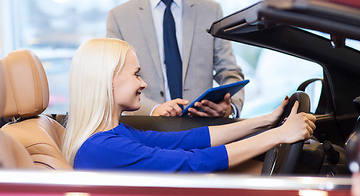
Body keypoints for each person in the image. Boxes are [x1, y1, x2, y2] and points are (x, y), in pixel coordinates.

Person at [62, 38, 316, 172]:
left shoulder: (113, 134)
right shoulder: (105, 147)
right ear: (108, 81)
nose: (143, 84)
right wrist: (279, 135)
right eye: (136, 74)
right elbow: (194, 162)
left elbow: (188, 140)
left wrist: (265, 122)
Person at [106, 0, 244, 118]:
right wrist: (153, 109)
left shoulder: (210, 11)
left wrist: (231, 107)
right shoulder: (120, 17)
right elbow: (114, 80)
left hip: (202, 130)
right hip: (146, 130)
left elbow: (229, 70)